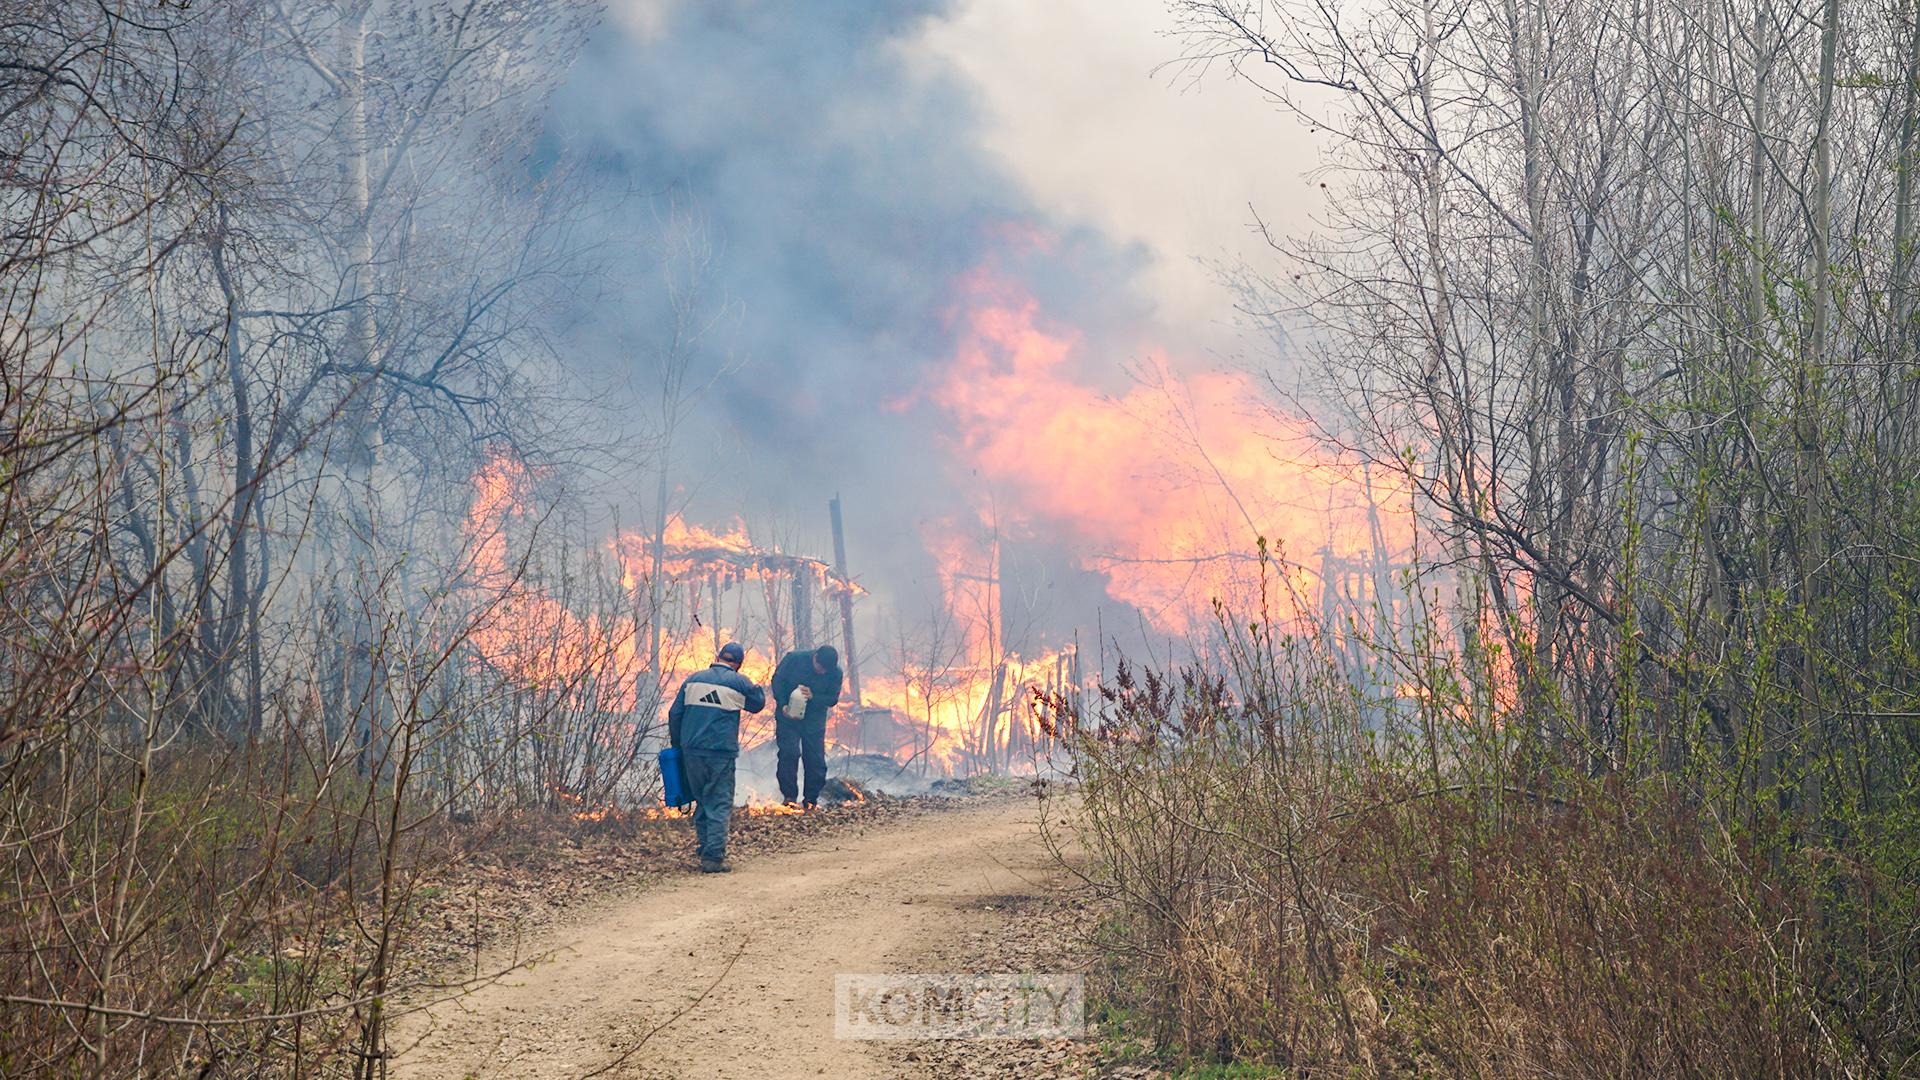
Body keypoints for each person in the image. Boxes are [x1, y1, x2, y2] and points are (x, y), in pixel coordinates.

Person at [666, 641, 766, 872]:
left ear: (718, 656)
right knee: (719, 803)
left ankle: (704, 847)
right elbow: (757, 704)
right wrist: (757, 687)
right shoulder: (738, 681)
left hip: (691, 752)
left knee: (702, 799)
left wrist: (678, 746)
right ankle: (713, 857)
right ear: (739, 664)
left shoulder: (692, 680)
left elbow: (675, 714)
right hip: (720, 752)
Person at [769, 644, 843, 809]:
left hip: (814, 721)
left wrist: (814, 696)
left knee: (815, 760)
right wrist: (782, 704)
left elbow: (832, 699)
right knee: (790, 753)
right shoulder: (794, 659)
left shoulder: (835, 673)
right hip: (789, 717)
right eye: (820, 667)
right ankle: (789, 796)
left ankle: (811, 799)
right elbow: (777, 681)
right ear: (815, 657)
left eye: (826, 670)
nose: (822, 672)